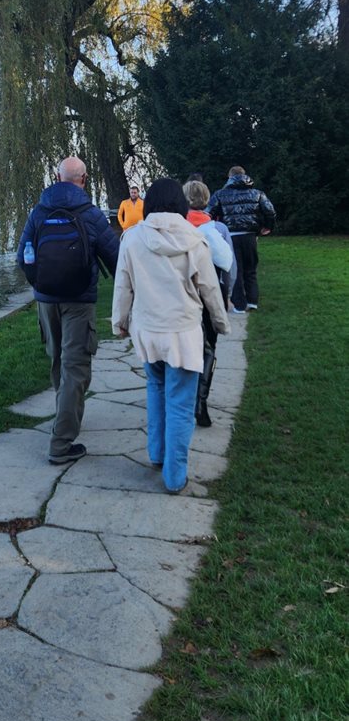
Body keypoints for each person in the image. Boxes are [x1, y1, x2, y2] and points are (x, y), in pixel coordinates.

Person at [111, 178, 230, 494]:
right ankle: (176, 476)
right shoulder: (195, 240)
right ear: (179, 204)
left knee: (155, 387)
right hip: (183, 334)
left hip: (148, 331)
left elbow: (123, 285)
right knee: (180, 402)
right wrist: (221, 323)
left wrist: (119, 322)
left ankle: (157, 453)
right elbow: (209, 289)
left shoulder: (131, 239)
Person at [17, 156, 120, 464]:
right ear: (84, 179)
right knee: (76, 366)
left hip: (46, 301)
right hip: (79, 301)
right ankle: (61, 444)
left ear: (56, 177)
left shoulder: (39, 211)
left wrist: (40, 285)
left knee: (58, 361)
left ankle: (66, 416)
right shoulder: (90, 214)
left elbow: (22, 256)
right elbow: (116, 258)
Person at [183, 180, 235, 427]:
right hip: (212, 290)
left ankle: (184, 394)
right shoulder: (219, 229)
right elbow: (230, 267)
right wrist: (228, 293)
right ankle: (201, 401)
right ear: (207, 199)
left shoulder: (180, 226)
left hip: (186, 292)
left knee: (187, 344)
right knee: (209, 347)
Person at [206, 166, 276, 313]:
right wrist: (267, 227)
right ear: (245, 176)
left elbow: (209, 213)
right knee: (250, 268)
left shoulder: (220, 194)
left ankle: (239, 305)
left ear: (230, 177)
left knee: (235, 270)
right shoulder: (258, 193)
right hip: (250, 235)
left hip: (231, 235)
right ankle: (252, 301)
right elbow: (270, 211)